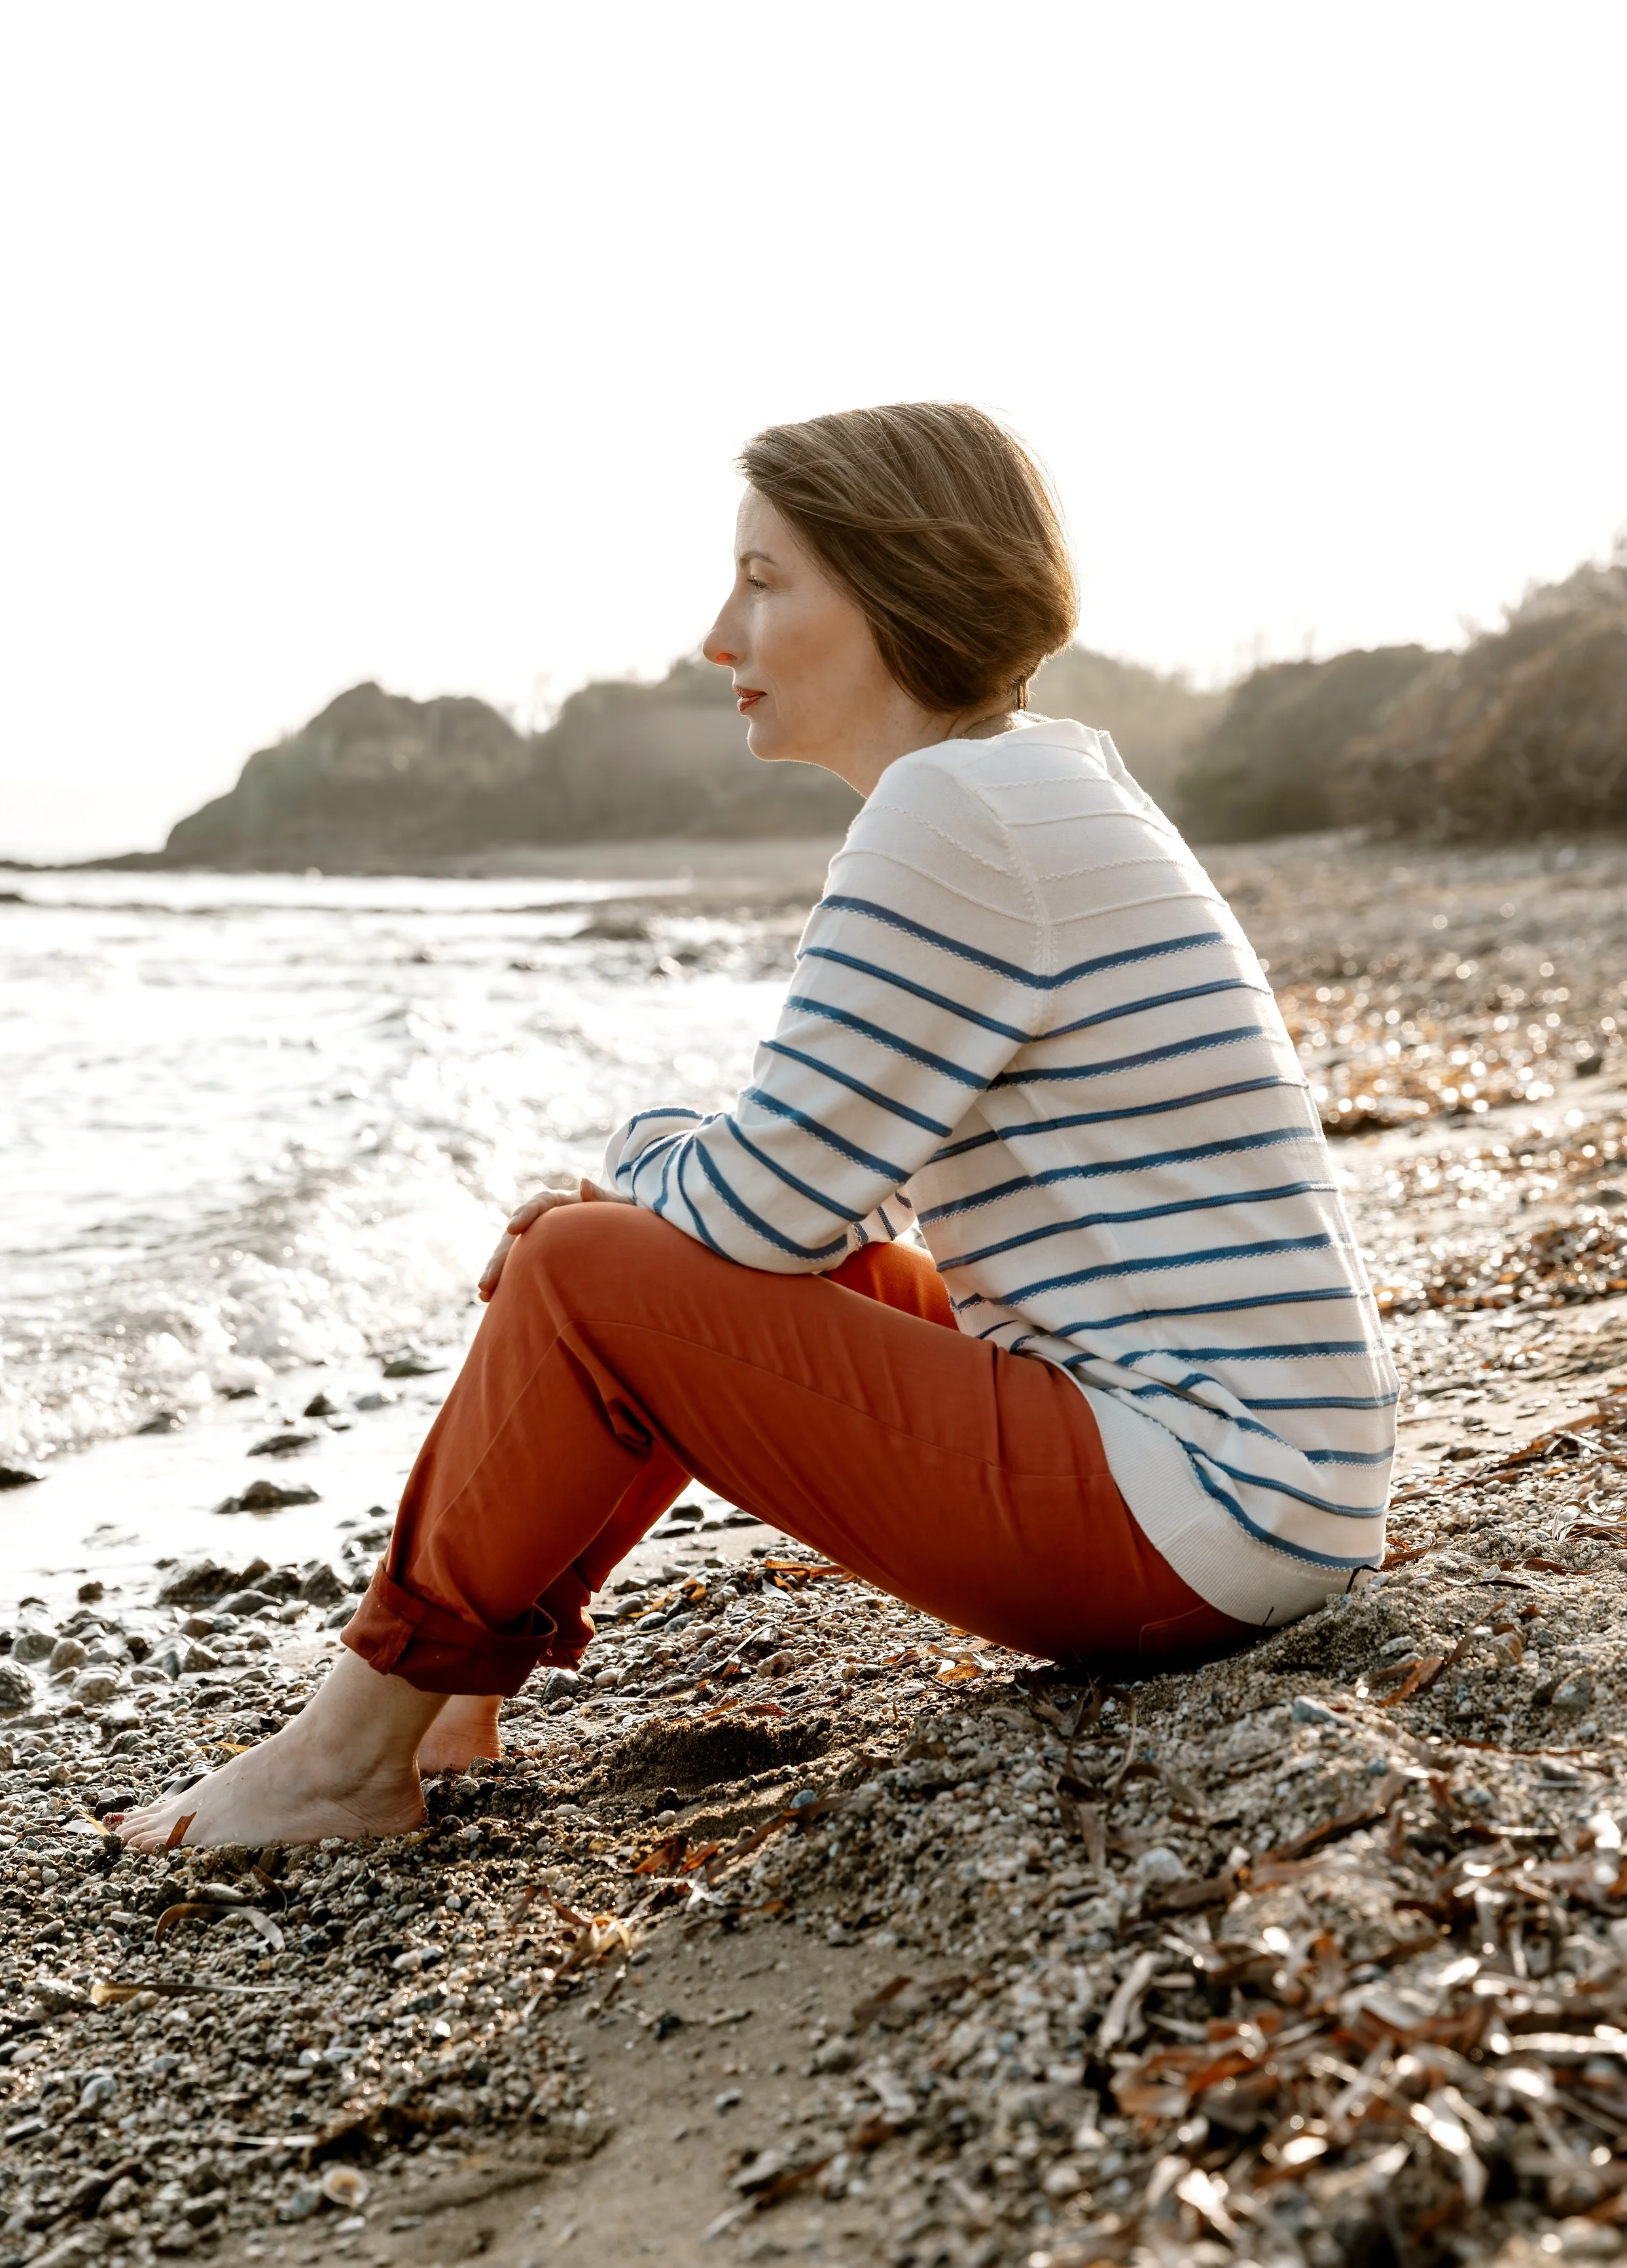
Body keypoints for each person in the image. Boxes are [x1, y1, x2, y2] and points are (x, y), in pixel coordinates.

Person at [122, 401, 1395, 1851]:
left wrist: (623, 1174)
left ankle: (345, 1761)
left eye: (764, 580)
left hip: (1198, 1508)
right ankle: (454, 1686)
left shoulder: (953, 812)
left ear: (891, 584)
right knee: (620, 1257)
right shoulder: (1041, 783)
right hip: (1267, 1492)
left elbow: (758, 1213)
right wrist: (648, 1212)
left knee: (586, 1271)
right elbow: (837, 1203)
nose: (716, 636)